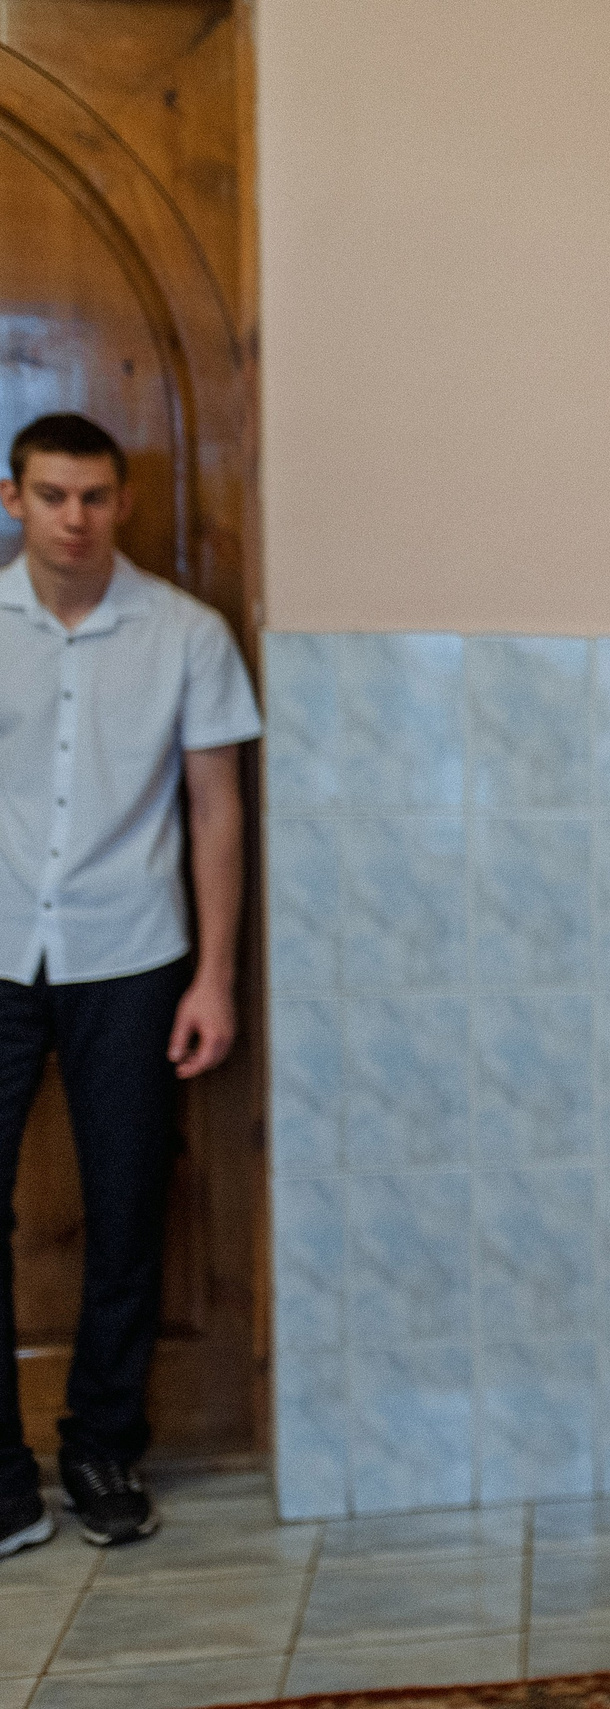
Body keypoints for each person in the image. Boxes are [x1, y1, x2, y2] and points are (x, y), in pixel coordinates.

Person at [0, 413, 260, 1556]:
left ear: (121, 501)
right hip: (1, 948)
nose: (74, 517)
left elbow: (216, 807)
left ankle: (103, 1449)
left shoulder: (186, 632)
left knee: (125, 1210)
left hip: (135, 954)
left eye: (95, 496)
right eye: (52, 494)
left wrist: (214, 975)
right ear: (12, 499)